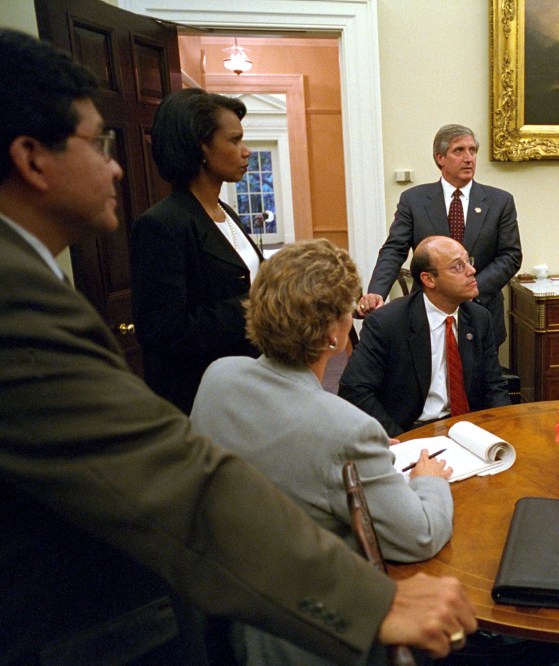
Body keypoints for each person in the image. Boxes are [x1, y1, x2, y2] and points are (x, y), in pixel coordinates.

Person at [0, 28, 475, 664]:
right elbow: (186, 478)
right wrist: (371, 601)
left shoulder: (226, 252)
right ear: (32, 159)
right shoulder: (32, 291)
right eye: (98, 142)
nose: (116, 165)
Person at [191, 238, 456, 664]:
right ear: (334, 333)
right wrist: (429, 484)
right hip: (313, 633)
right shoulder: (344, 428)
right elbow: (419, 536)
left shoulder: (218, 376)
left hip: (224, 613)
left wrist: (364, 452)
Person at [130, 88, 265, 414]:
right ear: (199, 147)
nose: (246, 151)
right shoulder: (162, 224)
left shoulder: (225, 212)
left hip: (248, 383)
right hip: (200, 398)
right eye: (234, 141)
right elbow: (163, 331)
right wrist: (258, 304)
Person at [356, 124, 522, 347]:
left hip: (481, 309)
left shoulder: (499, 201)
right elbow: (394, 250)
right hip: (427, 311)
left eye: (472, 150)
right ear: (440, 158)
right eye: (459, 150)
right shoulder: (414, 200)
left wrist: (470, 287)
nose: (468, 158)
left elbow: (510, 256)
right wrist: (377, 292)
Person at [340, 235, 511, 437]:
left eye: (468, 261)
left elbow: (494, 386)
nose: (472, 271)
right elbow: (354, 390)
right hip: (410, 429)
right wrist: (400, 440)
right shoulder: (388, 323)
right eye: (457, 266)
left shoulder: (479, 318)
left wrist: (502, 430)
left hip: (467, 429)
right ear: (428, 279)